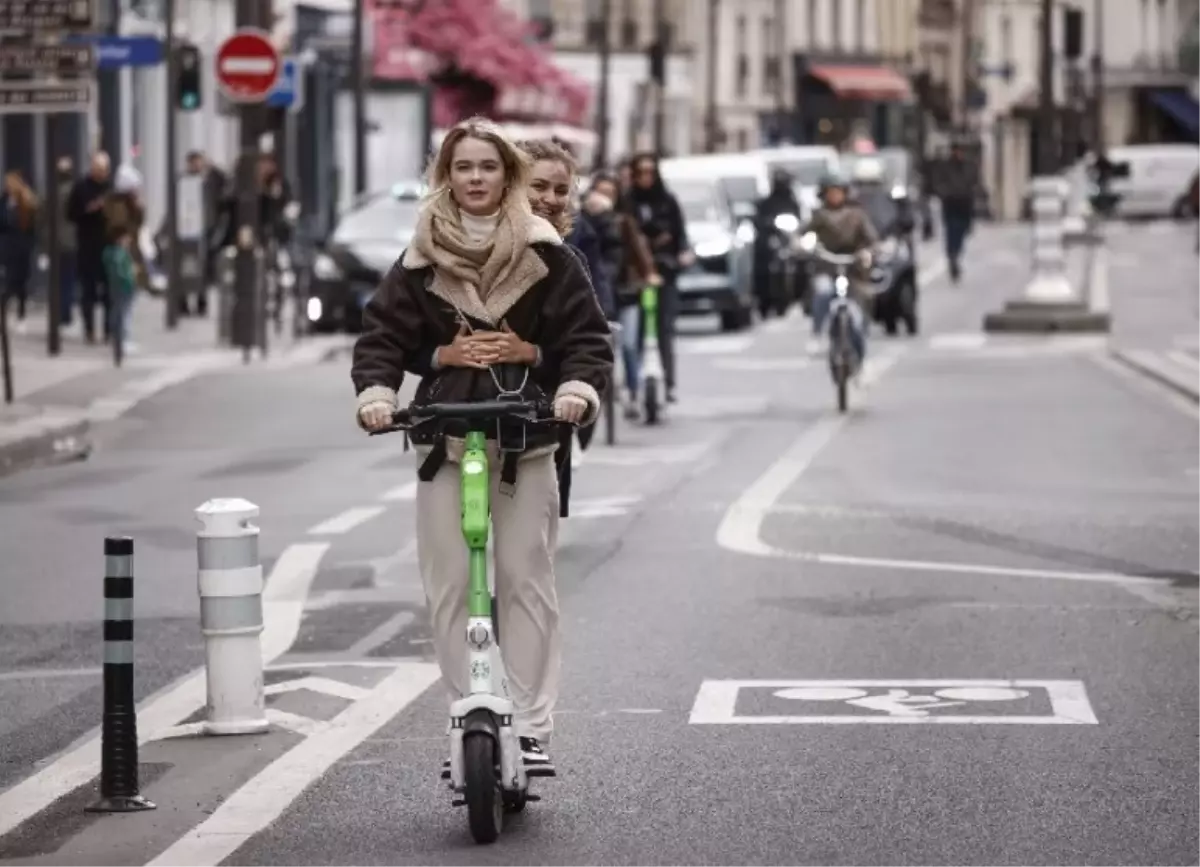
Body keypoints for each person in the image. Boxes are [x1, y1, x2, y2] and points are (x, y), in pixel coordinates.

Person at [352, 117, 612, 772]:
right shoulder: (419, 257)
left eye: (488, 167)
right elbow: (382, 336)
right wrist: (381, 392)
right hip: (444, 435)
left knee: (525, 578)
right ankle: (470, 710)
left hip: (526, 435)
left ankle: (530, 724)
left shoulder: (549, 254)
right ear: (446, 175)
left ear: (508, 175)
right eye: (463, 166)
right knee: (448, 583)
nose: (475, 178)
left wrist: (573, 388)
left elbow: (587, 339)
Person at [588, 172, 659, 419]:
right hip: (597, 296)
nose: (605, 198)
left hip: (626, 293)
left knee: (629, 346)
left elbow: (639, 251)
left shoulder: (624, 221)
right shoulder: (584, 222)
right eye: (601, 192)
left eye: (610, 193)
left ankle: (632, 392)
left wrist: (648, 273)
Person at [626, 152, 692, 404]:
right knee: (635, 333)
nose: (645, 177)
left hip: (664, 272)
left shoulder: (667, 200)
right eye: (640, 173)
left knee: (664, 329)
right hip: (636, 275)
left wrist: (682, 253)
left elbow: (680, 234)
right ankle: (635, 385)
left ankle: (668, 382)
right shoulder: (628, 202)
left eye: (650, 172)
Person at [802, 171, 878, 364]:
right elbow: (803, 235)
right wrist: (804, 245)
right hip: (827, 267)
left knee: (862, 301)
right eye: (831, 192)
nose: (835, 196)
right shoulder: (819, 215)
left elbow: (872, 239)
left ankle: (859, 345)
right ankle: (818, 332)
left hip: (854, 268)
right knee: (823, 292)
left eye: (838, 192)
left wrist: (867, 252)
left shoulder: (857, 215)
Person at [67, 152, 113, 343]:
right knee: (88, 290)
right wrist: (89, 209)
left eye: (104, 169)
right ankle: (89, 329)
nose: (101, 173)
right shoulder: (81, 187)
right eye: (97, 169)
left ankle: (109, 330)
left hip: (108, 244)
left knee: (109, 290)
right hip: (87, 245)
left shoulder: (111, 188)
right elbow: (70, 213)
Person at [753, 167, 803, 317]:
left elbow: (799, 221)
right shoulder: (766, 203)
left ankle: (796, 295)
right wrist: (766, 224)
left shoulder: (792, 203)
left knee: (803, 260)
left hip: (786, 239)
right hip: (770, 240)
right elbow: (758, 220)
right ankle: (762, 298)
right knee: (761, 265)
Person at [0, 170, 40, 333]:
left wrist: (31, 245)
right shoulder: (3, 202)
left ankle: (21, 315)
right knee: (9, 281)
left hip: (22, 247)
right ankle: (5, 312)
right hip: (7, 247)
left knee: (21, 282)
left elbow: (33, 226)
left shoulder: (26, 202)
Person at [934, 142, 978, 283]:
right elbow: (938, 182)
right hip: (951, 203)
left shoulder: (969, 166)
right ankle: (952, 257)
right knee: (951, 231)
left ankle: (955, 254)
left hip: (965, 204)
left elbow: (974, 182)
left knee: (962, 232)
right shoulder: (946, 167)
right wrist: (945, 193)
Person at [101, 222, 138, 355]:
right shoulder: (120, 254)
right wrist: (130, 274)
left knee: (118, 312)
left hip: (116, 287)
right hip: (124, 287)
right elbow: (122, 271)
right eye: (126, 238)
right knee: (124, 314)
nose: (129, 240)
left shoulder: (109, 253)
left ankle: (118, 338)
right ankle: (122, 340)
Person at [54, 158, 78, 327]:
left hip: (57, 242)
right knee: (68, 278)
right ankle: (66, 312)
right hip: (72, 241)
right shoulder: (74, 191)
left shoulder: (52, 192)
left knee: (59, 279)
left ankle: (62, 311)